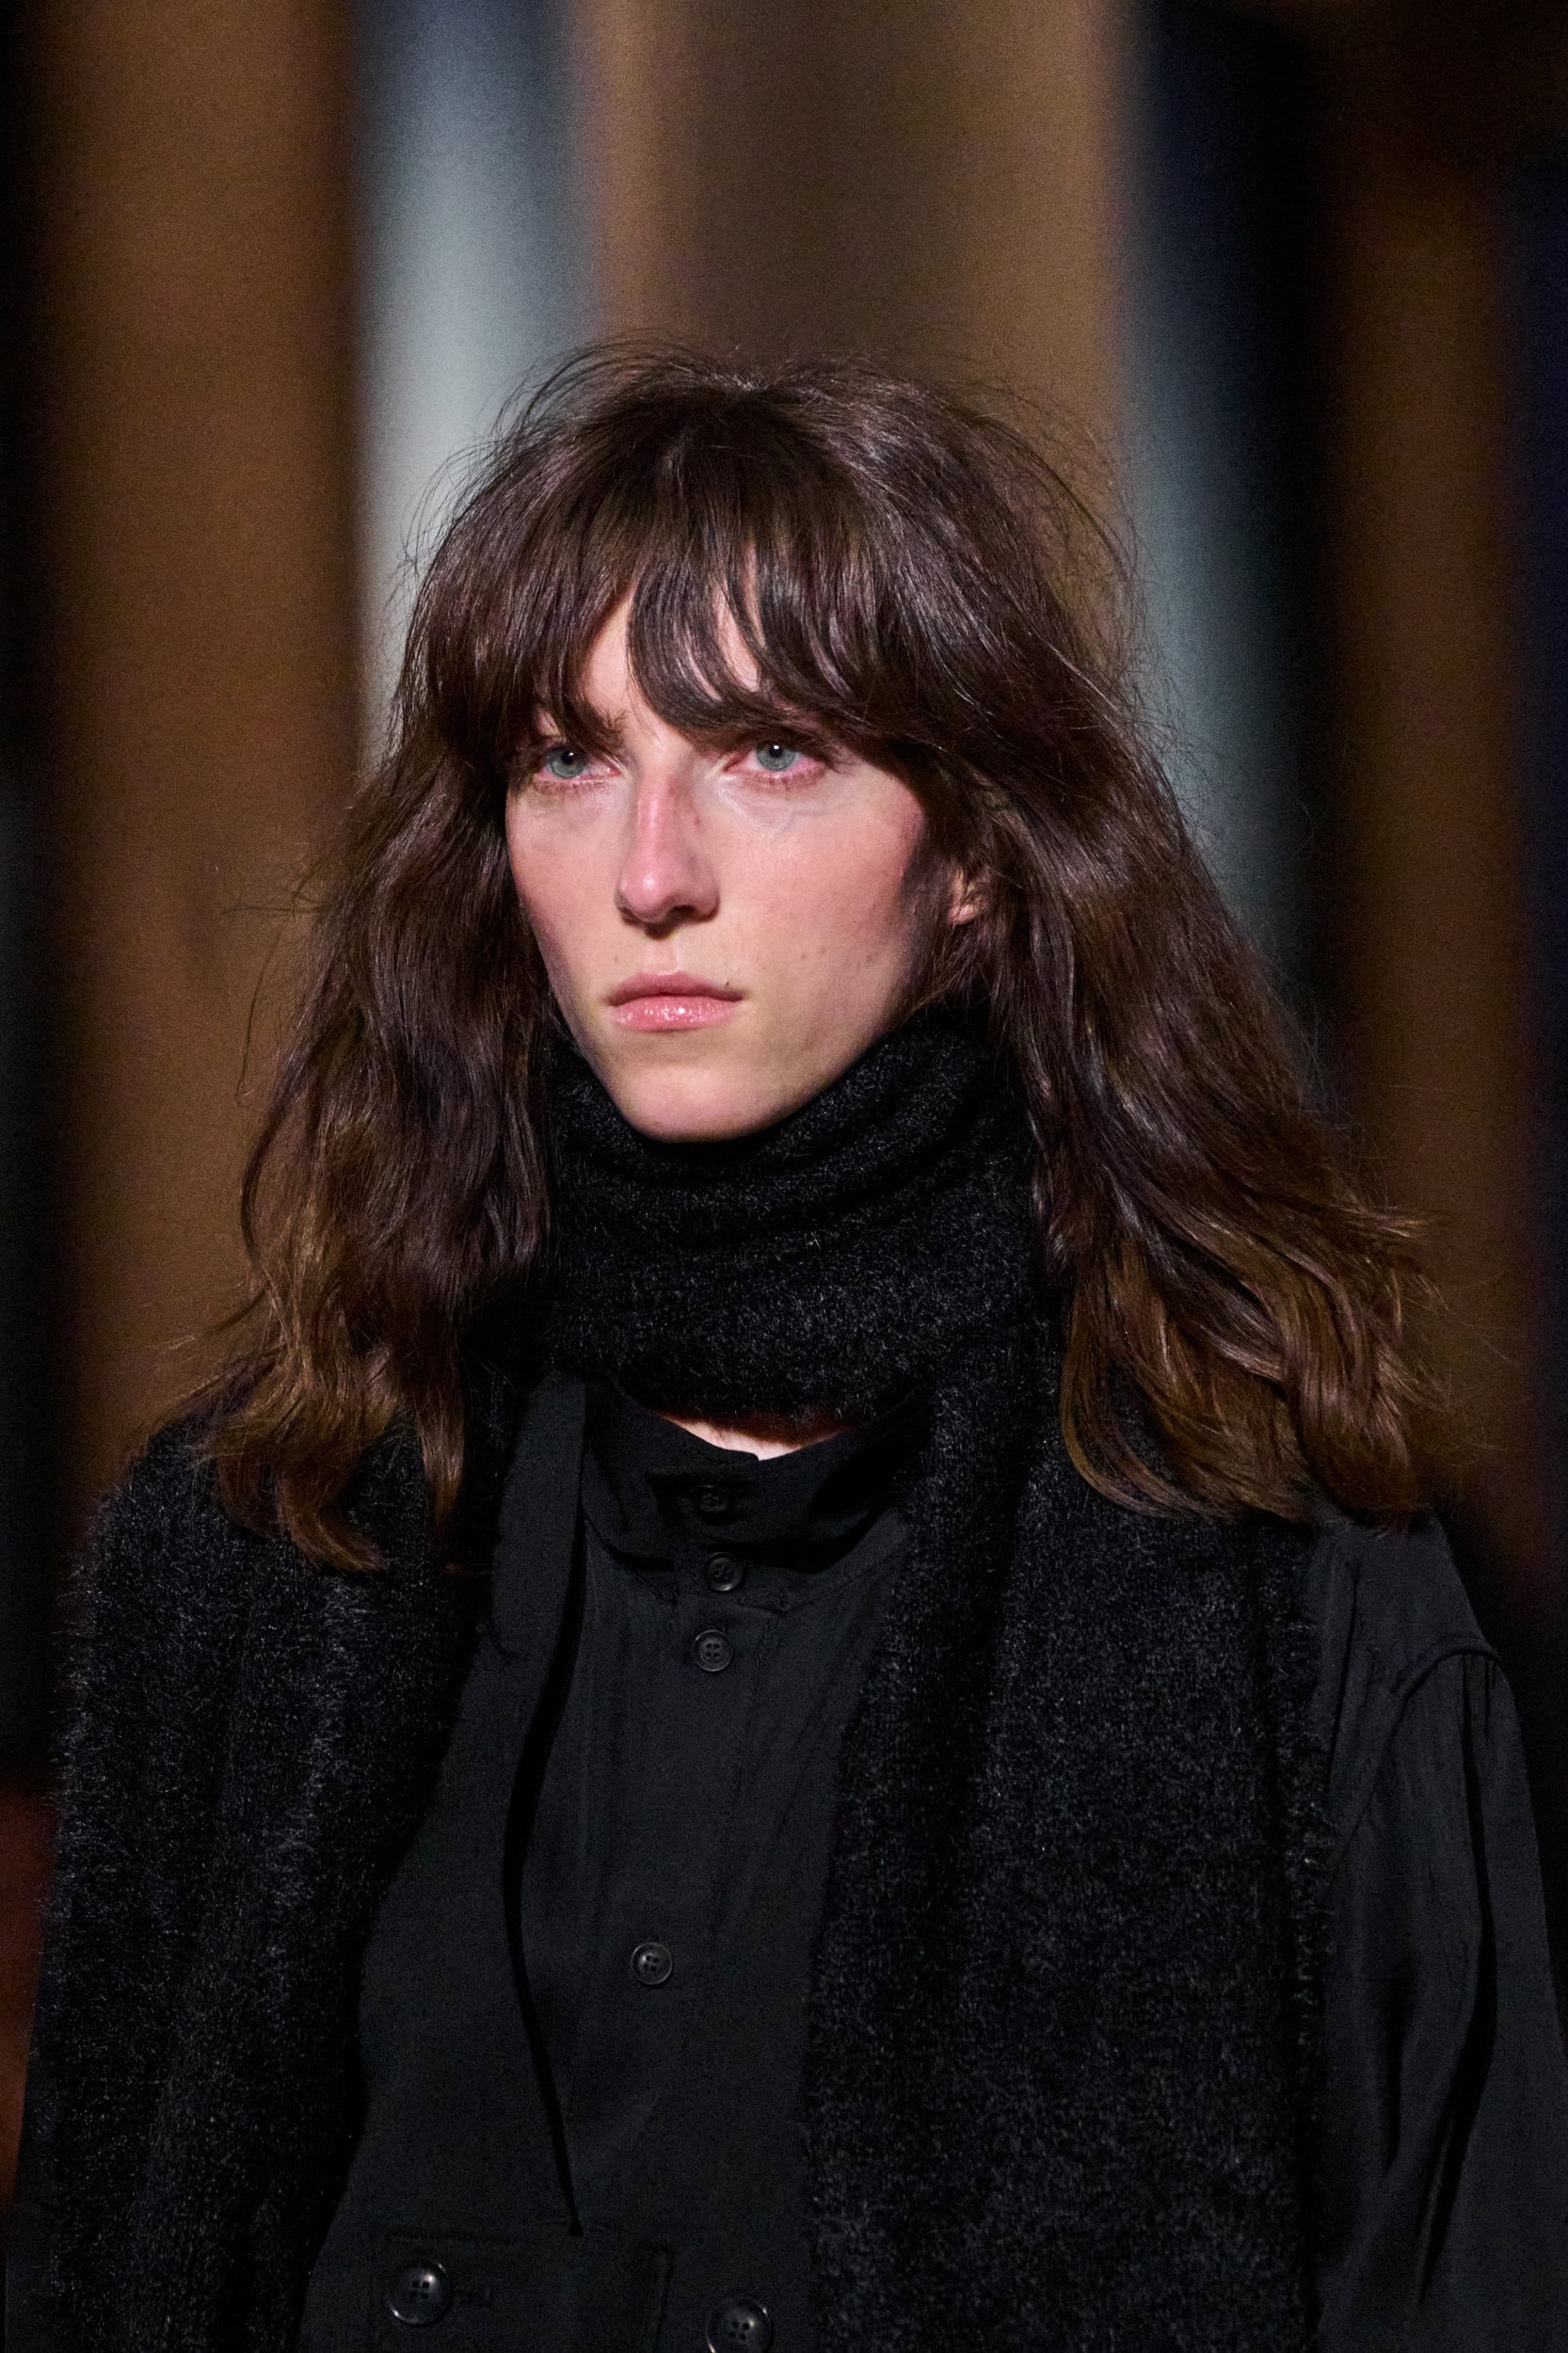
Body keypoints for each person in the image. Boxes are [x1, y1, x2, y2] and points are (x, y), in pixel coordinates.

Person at [8, 350, 1568, 2353]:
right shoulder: (260, 1540)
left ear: (979, 856)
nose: (651, 873)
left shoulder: (1285, 1573)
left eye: (769, 751)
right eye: (568, 759)